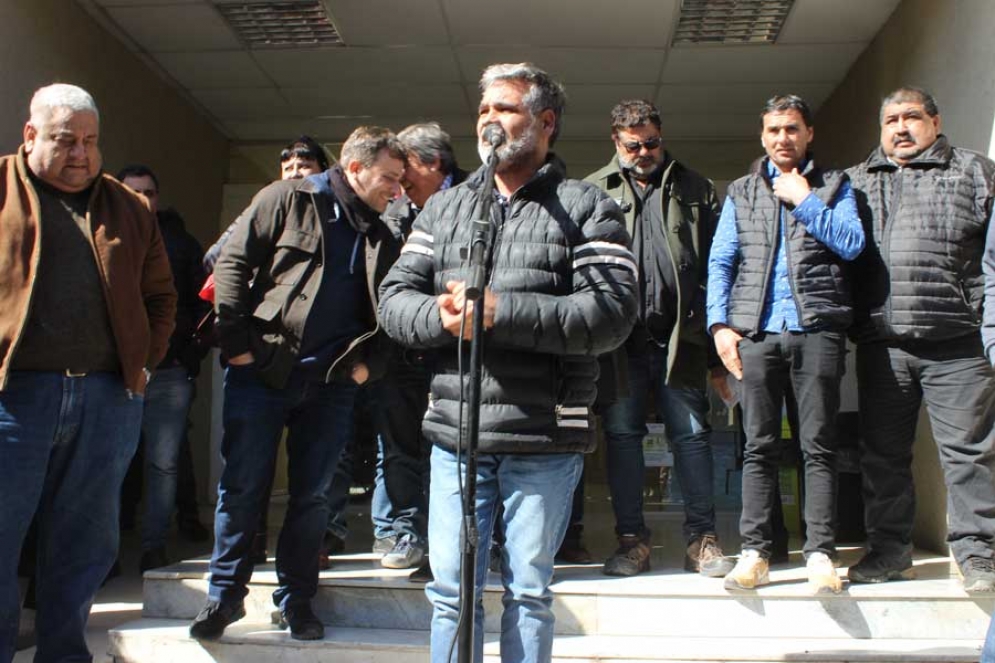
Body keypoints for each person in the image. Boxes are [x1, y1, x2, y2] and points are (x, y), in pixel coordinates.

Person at [378, 62, 638, 663]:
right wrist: (439, 317)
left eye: (505, 108)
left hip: (543, 436)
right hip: (456, 437)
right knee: (451, 594)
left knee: (529, 592)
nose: (489, 120)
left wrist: (501, 312)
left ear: (545, 122)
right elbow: (393, 301)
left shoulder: (588, 207)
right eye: (483, 110)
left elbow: (611, 314)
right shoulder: (445, 209)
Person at [189, 126, 405, 642]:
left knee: (313, 498)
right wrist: (238, 347)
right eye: (389, 177)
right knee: (243, 487)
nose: (397, 189)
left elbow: (393, 307)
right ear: (356, 168)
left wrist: (369, 368)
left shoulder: (382, 235)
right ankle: (224, 597)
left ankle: (297, 601)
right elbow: (232, 263)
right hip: (261, 374)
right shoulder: (286, 198)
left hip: (332, 385)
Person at [0, 83, 176, 662]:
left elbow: (160, 295)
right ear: (30, 135)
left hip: (106, 398)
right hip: (13, 398)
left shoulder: (129, 207)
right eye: (65, 140)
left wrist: (142, 364)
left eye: (90, 141)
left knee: (83, 545)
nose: (80, 153)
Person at [707, 94, 864, 594]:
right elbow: (721, 261)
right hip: (756, 334)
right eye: (774, 130)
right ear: (762, 136)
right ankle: (755, 553)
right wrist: (719, 325)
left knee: (818, 446)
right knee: (759, 447)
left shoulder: (835, 185)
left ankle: (820, 553)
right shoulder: (741, 191)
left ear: (808, 133)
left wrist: (806, 199)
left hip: (817, 330)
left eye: (792, 128)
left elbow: (852, 243)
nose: (783, 138)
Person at [849, 87, 995, 592]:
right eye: (891, 120)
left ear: (935, 122)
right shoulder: (857, 181)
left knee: (969, 454)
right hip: (883, 344)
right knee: (882, 455)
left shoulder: (973, 172)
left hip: (958, 342)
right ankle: (889, 552)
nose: (901, 128)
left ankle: (978, 555)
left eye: (911, 117)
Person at [585, 99, 732, 578]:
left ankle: (702, 540)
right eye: (634, 145)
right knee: (622, 437)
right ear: (616, 141)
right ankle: (632, 543)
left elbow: (717, 268)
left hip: (680, 339)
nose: (644, 152)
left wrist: (715, 343)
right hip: (619, 344)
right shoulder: (592, 190)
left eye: (652, 143)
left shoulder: (696, 187)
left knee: (692, 436)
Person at [373, 122, 468, 579]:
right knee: (399, 447)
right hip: (402, 350)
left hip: (456, 351)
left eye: (405, 170)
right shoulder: (394, 211)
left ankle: (453, 545)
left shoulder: (478, 198)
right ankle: (407, 532)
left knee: (451, 451)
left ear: (433, 163)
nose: (399, 183)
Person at [118, 165, 211, 573]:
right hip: (113, 374)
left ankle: (153, 546)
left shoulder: (179, 244)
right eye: (133, 192)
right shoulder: (99, 234)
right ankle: (105, 550)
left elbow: (205, 303)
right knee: (107, 463)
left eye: (149, 192)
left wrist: (190, 354)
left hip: (169, 371)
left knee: (163, 463)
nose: (142, 199)